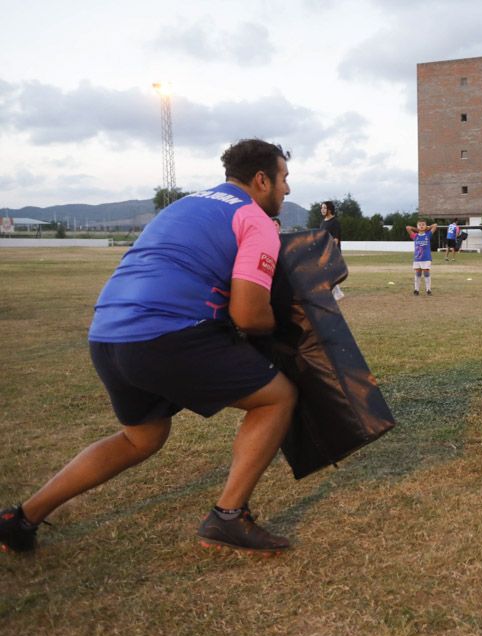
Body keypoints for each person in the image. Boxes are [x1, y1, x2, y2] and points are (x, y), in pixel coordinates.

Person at [0, 139, 297, 555]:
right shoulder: (255, 219)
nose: (287, 190)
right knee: (277, 398)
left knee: (141, 437)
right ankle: (228, 517)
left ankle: (20, 519)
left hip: (107, 333)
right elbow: (249, 315)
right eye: (284, 179)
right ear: (262, 179)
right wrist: (285, 324)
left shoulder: (184, 205)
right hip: (164, 335)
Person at [320, 201, 345, 301]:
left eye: (324, 208)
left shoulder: (335, 222)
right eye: (321, 208)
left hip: (332, 251)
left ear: (329, 210)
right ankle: (337, 292)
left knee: (330, 273)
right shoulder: (323, 222)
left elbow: (335, 239)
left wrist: (329, 249)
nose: (322, 210)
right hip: (324, 251)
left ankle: (337, 293)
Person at [406, 219, 438, 295]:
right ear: (417, 226)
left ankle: (428, 290)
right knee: (418, 273)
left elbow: (435, 225)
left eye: (423, 224)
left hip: (426, 258)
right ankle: (416, 290)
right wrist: (417, 229)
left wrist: (427, 228)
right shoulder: (415, 236)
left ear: (425, 226)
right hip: (417, 258)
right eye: (420, 225)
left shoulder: (428, 234)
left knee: (426, 273)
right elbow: (408, 228)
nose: (421, 226)